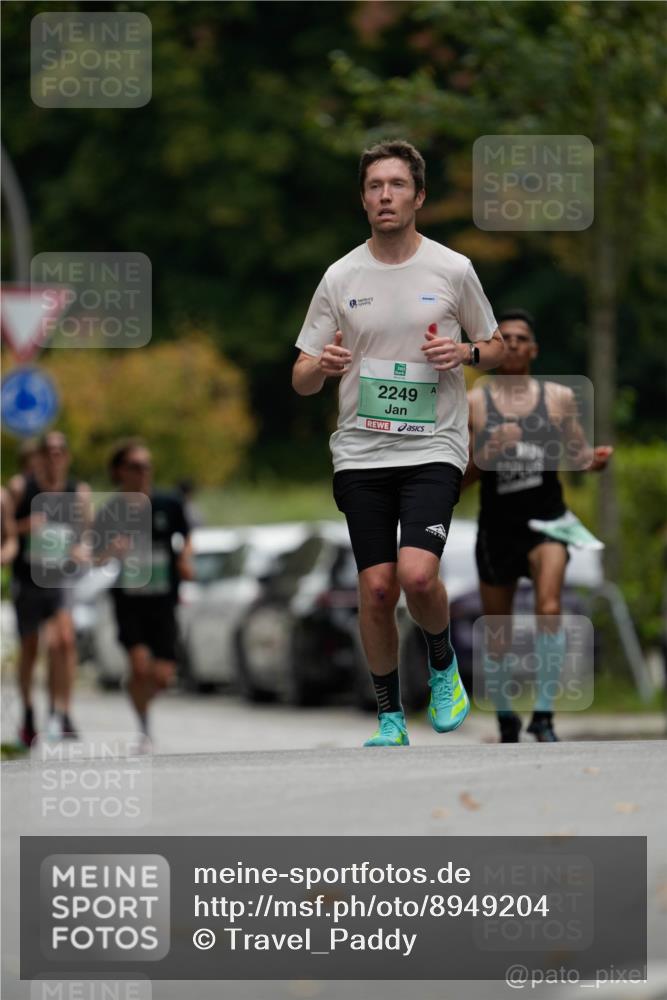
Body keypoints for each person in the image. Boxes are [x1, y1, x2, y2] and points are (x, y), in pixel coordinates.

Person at [292, 139, 505, 747]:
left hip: (433, 446)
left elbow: (494, 348)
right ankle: (389, 717)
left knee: (415, 576)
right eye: (374, 187)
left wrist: (463, 352)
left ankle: (443, 666)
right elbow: (302, 376)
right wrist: (323, 366)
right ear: (363, 200)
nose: (385, 195)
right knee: (377, 587)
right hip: (361, 450)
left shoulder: (453, 269)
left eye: (396, 185)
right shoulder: (341, 276)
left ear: (419, 196)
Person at [465, 308, 613, 742]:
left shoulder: (557, 399)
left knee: (549, 607)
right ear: (494, 348)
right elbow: (461, 480)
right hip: (497, 526)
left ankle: (545, 714)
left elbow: (578, 454)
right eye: (504, 337)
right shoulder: (475, 403)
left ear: (533, 348)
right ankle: (507, 715)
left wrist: (594, 462)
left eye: (520, 338)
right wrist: (487, 451)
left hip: (548, 521)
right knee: (499, 627)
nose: (511, 343)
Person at [99, 440, 193, 747]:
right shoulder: (111, 510)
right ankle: (143, 726)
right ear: (120, 472)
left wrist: (184, 558)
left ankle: (139, 691)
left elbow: (188, 535)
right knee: (139, 665)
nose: (143, 472)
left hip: (163, 599)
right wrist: (112, 550)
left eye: (146, 466)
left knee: (163, 675)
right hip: (129, 601)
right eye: (135, 466)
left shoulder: (169, 503)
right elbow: (94, 555)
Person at [9, 431, 91, 745]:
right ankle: (29, 712)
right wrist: (23, 526)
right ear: (40, 456)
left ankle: (62, 712)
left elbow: (86, 535)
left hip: (61, 578)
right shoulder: (22, 488)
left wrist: (80, 549)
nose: (54, 456)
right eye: (49, 451)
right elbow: (6, 531)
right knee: (31, 647)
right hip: (29, 578)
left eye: (60, 451)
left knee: (64, 641)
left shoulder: (77, 492)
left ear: (67, 456)